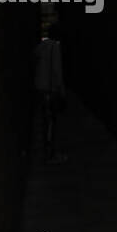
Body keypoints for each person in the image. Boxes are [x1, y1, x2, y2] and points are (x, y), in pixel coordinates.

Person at [33, 23, 66, 162]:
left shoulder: (41, 46)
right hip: (50, 89)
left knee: (45, 121)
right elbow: (57, 71)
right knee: (52, 121)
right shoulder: (55, 47)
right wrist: (62, 90)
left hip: (40, 88)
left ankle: (45, 151)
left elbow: (34, 60)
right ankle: (50, 154)